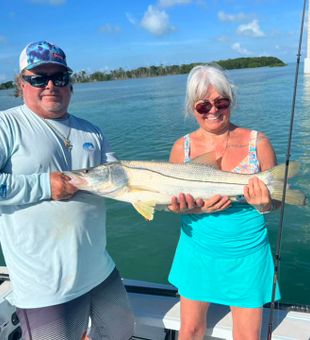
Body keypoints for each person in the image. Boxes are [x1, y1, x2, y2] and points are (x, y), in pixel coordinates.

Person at [0, 41, 134, 340]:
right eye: (38, 78)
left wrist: (172, 198)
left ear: (69, 84)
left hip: (100, 270)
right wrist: (46, 184)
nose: (50, 85)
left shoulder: (92, 131)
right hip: (45, 287)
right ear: (21, 83)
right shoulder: (5, 126)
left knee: (121, 332)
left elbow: (122, 182)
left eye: (59, 77)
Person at [167, 64, 280, 340]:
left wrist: (265, 204)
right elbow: (170, 202)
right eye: (203, 105)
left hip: (248, 252)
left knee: (247, 336)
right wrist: (188, 207)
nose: (213, 110)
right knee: (190, 330)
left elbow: (276, 201)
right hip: (197, 249)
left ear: (231, 101)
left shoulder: (259, 142)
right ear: (192, 108)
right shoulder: (181, 148)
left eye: (221, 102)